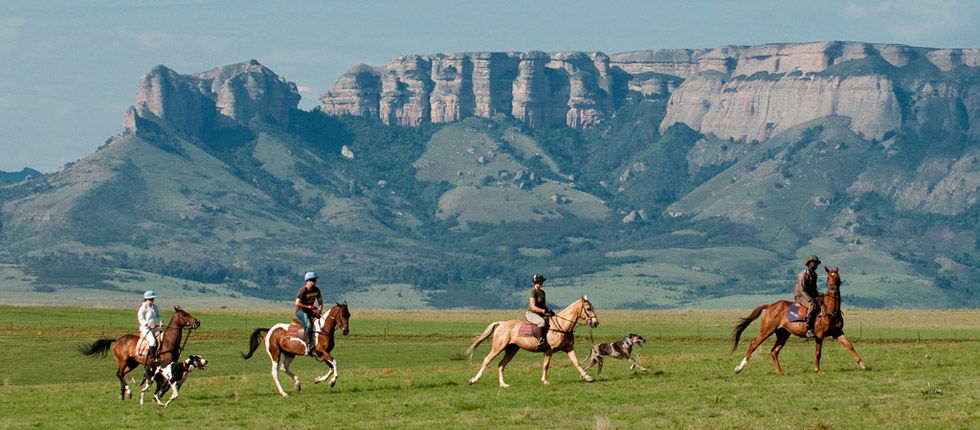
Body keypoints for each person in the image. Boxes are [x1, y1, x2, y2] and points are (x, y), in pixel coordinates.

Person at [295, 271, 323, 356]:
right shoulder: (303, 290)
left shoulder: (316, 289)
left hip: (310, 310)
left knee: (322, 322)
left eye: (315, 280)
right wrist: (309, 307)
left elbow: (321, 303)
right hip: (301, 311)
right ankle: (310, 347)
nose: (314, 282)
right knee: (308, 325)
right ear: (308, 280)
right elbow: (297, 303)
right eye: (313, 280)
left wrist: (319, 311)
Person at [794, 255, 822, 338]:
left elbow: (814, 290)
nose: (816, 265)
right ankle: (809, 328)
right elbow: (802, 290)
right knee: (812, 306)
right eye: (814, 263)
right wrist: (811, 300)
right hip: (801, 296)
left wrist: (822, 295)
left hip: (809, 295)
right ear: (809, 263)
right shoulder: (803, 275)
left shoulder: (814, 274)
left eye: (817, 263)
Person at [525, 274, 553, 349]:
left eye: (541, 281)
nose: (541, 283)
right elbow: (533, 306)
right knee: (542, 322)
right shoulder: (533, 292)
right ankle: (540, 340)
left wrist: (548, 311)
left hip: (539, 313)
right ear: (535, 283)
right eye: (539, 282)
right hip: (531, 313)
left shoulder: (543, 292)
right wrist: (542, 310)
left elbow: (544, 305)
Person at [138, 290, 163, 363]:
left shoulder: (155, 307)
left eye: (153, 299)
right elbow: (141, 318)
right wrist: (148, 324)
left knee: (164, 336)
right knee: (152, 341)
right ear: (146, 299)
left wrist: (161, 320)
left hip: (155, 328)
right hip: (145, 328)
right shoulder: (143, 308)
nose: (152, 300)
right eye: (150, 299)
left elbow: (159, 315)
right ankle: (152, 358)